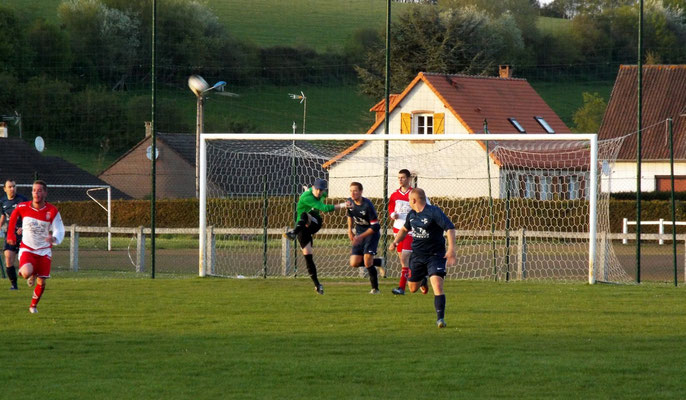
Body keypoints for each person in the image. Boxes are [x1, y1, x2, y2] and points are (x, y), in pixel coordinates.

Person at [389, 188, 456, 328]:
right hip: (417, 256)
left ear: (414, 200)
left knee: (437, 285)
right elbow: (404, 230)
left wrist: (451, 249)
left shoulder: (434, 212)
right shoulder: (412, 214)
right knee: (412, 288)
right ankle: (423, 281)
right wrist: (395, 242)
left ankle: (440, 319)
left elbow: (449, 228)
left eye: (409, 200)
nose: (408, 202)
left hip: (435, 255)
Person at [7, 180, 65, 314]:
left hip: (44, 250)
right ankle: (30, 273)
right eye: (34, 190)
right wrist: (11, 235)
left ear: (45, 193)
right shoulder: (23, 207)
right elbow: (14, 216)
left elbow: (59, 229)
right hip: (27, 248)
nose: (36, 193)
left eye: (39, 191)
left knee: (42, 282)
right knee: (26, 272)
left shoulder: (52, 210)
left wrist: (54, 238)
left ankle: (33, 306)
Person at [284, 178, 347, 294]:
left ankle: (293, 232)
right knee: (308, 257)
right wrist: (344, 204)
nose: (319, 192)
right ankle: (317, 285)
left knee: (305, 215)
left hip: (315, 222)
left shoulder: (321, 194)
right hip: (303, 230)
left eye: (321, 190)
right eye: (317, 189)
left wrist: (343, 204)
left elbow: (324, 208)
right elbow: (325, 208)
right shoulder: (306, 197)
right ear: (313, 188)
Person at [346, 182, 383, 294]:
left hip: (371, 234)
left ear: (361, 192)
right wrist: (349, 230)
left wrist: (361, 236)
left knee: (367, 262)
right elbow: (350, 216)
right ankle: (378, 262)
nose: (353, 193)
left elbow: (376, 226)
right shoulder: (350, 202)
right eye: (351, 190)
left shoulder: (368, 205)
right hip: (359, 235)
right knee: (354, 263)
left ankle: (375, 289)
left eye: (355, 190)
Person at [0, 179, 28, 290]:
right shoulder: (2, 201)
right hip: (10, 234)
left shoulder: (22, 200)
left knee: (25, 259)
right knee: (8, 258)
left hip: (23, 234)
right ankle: (14, 284)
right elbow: (3, 217)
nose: (12, 189)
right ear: (5, 189)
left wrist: (23, 228)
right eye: (10, 187)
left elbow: (28, 216)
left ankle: (31, 276)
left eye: (14, 186)